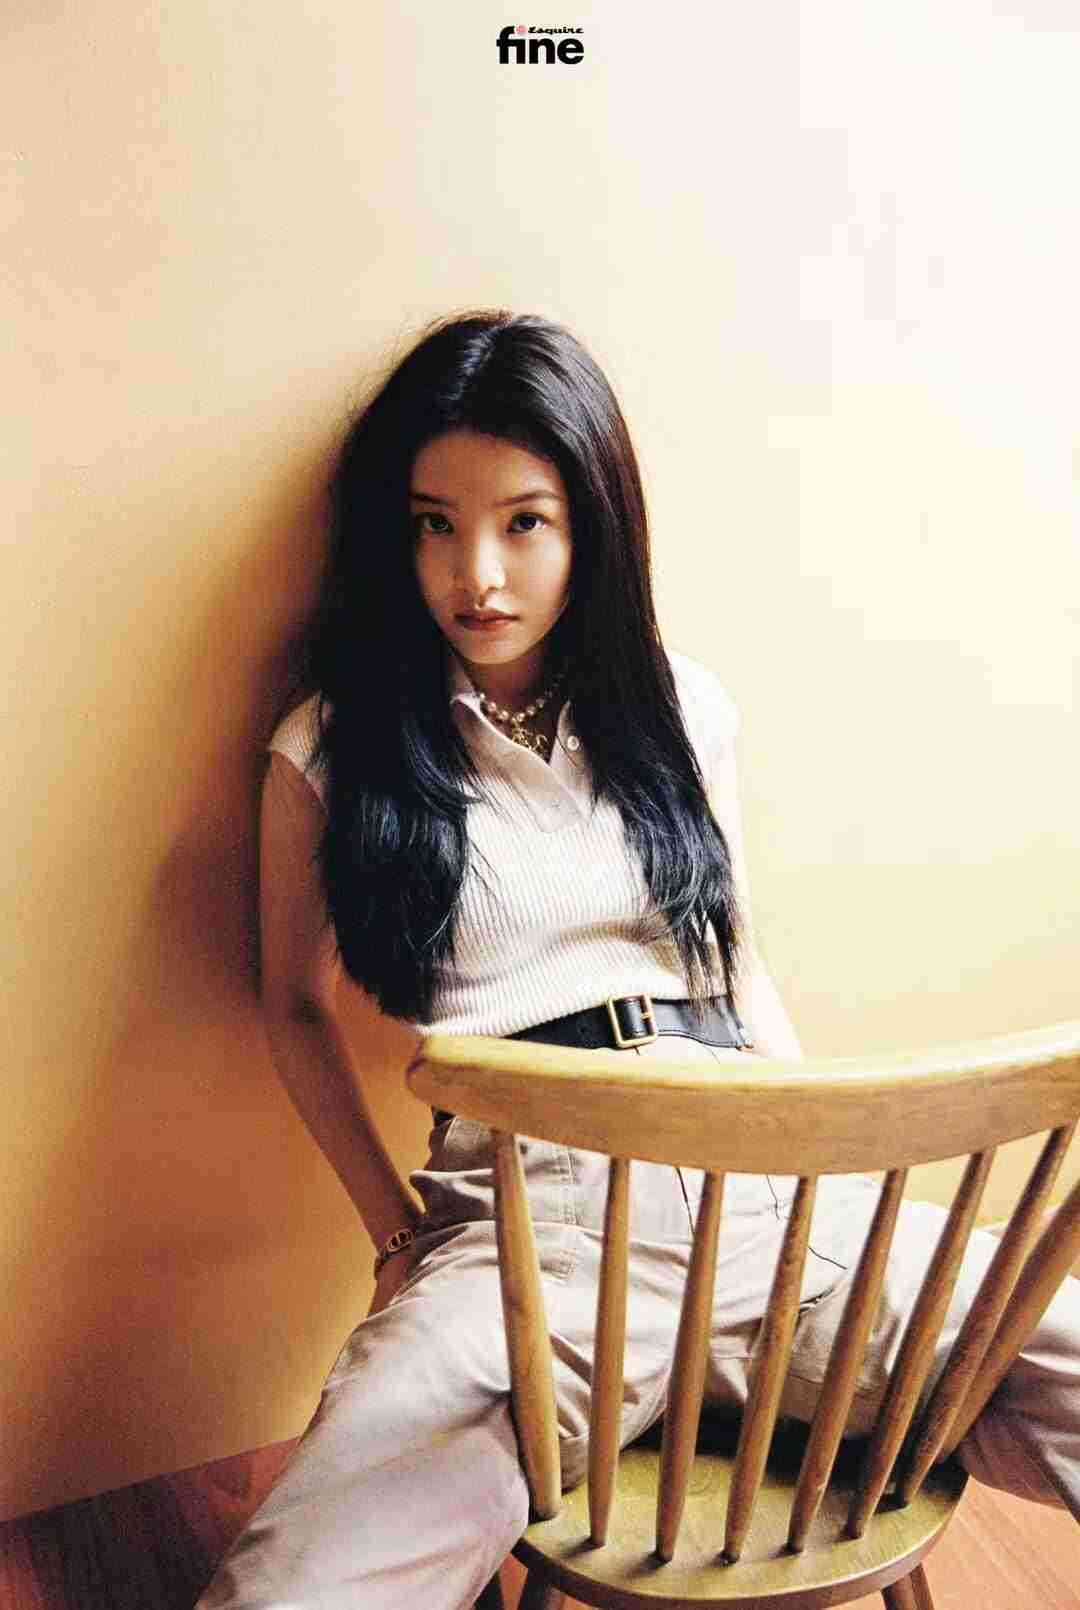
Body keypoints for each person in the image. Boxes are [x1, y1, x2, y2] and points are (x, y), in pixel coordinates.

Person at [198, 311, 1079, 1610]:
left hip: (765, 1183)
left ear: (592, 526)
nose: (477, 574)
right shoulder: (332, 743)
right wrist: (395, 1229)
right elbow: (292, 1003)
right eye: (435, 524)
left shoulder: (681, 704)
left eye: (525, 522)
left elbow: (736, 960)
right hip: (532, 1225)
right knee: (300, 1586)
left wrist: (811, 1147)